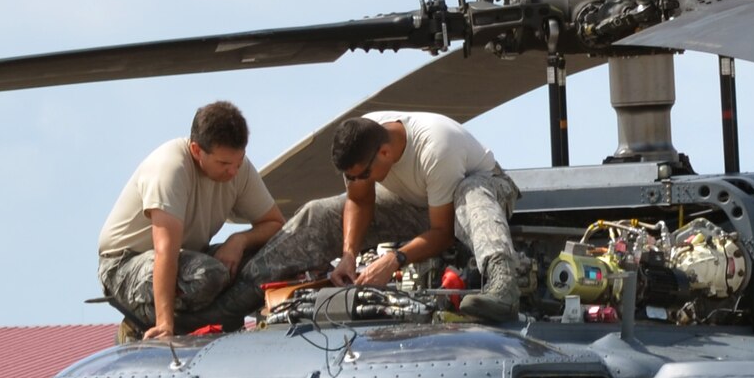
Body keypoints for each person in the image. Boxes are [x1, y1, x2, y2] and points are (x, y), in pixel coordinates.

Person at [226, 110, 521, 323]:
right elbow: (359, 199)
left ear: (384, 153)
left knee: (470, 192)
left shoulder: (436, 147)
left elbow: (442, 232)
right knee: (319, 212)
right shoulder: (367, 137)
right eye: (350, 176)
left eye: (363, 174)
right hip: (416, 202)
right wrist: (348, 254)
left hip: (479, 196)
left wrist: (395, 259)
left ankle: (502, 286)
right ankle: (230, 300)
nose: (360, 179)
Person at [96, 102, 283, 339]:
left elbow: (275, 224)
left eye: (238, 162)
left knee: (274, 260)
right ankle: (141, 323)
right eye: (224, 164)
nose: (233, 172)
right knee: (207, 275)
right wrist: (165, 324)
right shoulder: (170, 168)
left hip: (189, 256)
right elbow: (166, 251)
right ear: (196, 150)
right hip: (124, 263)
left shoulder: (239, 169)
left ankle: (227, 323)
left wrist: (240, 240)